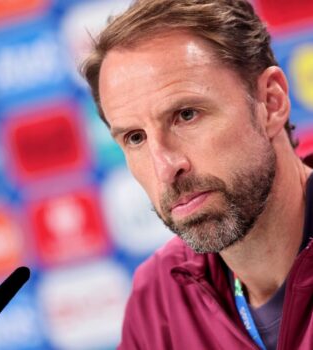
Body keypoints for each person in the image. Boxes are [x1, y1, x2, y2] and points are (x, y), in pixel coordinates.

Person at [81, 0, 313, 349]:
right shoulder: (159, 298)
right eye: (135, 138)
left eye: (186, 115)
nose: (165, 167)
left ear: (271, 102)